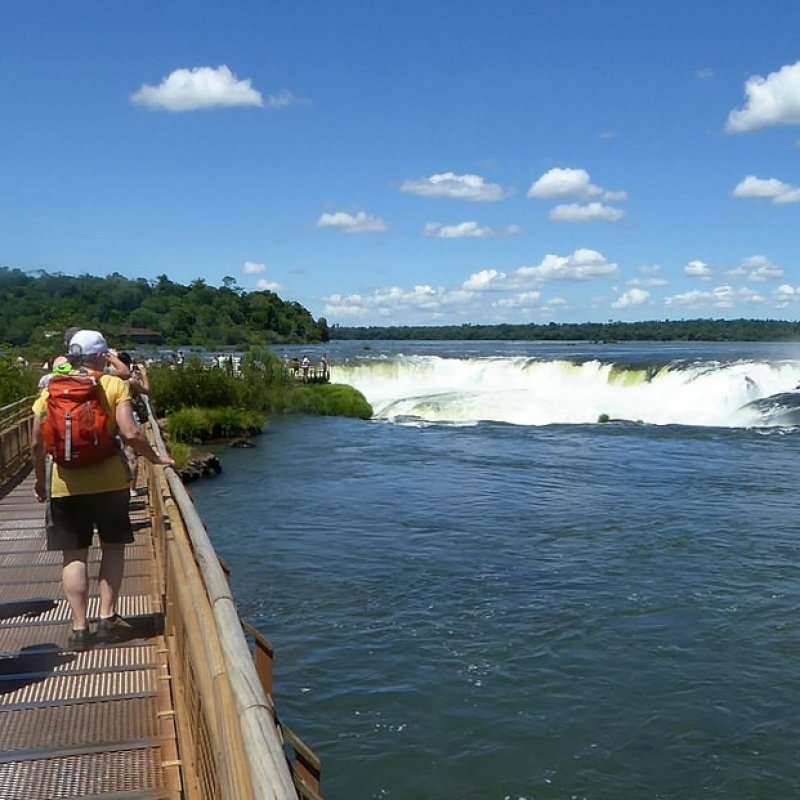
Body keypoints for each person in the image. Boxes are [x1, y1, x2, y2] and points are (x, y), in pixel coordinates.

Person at [31, 329, 175, 651]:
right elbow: (131, 432)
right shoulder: (113, 384)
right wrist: (156, 459)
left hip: (65, 483)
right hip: (110, 482)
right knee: (112, 547)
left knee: (74, 555)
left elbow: (37, 442)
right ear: (101, 356)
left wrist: (41, 481)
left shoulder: (51, 388)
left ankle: (80, 628)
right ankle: (108, 618)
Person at [118, 352, 151, 497]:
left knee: (118, 453)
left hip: (114, 419)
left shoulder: (110, 379)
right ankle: (131, 488)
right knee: (132, 455)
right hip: (130, 418)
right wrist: (143, 374)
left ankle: (119, 486)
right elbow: (147, 391)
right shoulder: (130, 381)